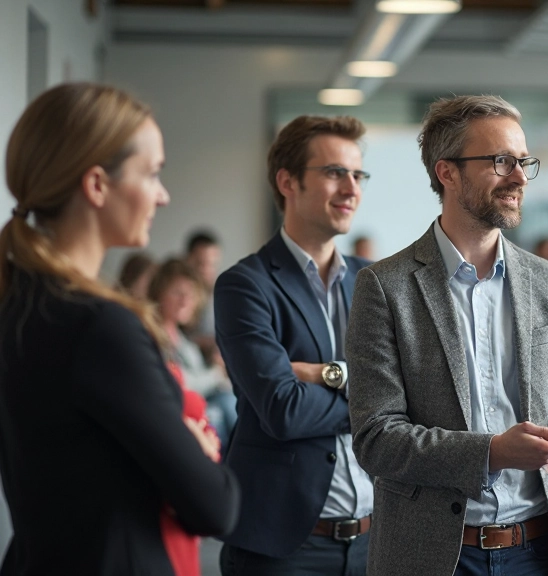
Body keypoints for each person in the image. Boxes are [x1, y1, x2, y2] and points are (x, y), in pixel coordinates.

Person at [346, 94, 548, 576]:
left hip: (540, 549)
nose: (520, 177)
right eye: (501, 161)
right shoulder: (385, 287)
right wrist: (493, 452)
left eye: (524, 161)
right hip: (436, 555)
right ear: (447, 173)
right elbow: (377, 439)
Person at [0, 82, 239, 575]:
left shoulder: (19, 301)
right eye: (152, 174)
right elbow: (215, 507)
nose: (163, 195)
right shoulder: (101, 326)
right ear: (96, 185)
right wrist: (193, 446)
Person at [214, 114, 374, 575]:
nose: (351, 188)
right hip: (283, 548)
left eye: (357, 174)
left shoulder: (373, 282)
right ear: (288, 181)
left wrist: (322, 373)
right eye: (333, 173)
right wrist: (376, 398)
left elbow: (416, 396)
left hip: (373, 540)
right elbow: (282, 410)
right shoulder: (245, 285)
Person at [150, 258, 235, 443]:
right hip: (176, 415)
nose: (185, 301)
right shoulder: (153, 336)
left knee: (232, 402)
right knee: (222, 409)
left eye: (190, 295)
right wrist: (215, 374)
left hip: (199, 410)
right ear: (158, 293)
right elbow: (179, 383)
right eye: (177, 293)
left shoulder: (183, 341)